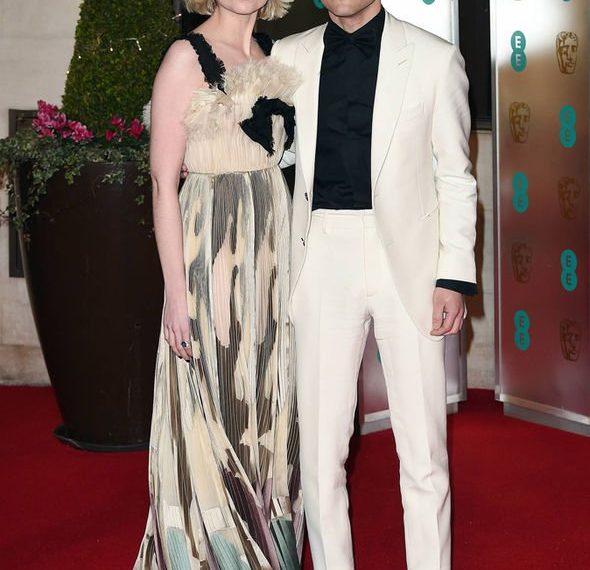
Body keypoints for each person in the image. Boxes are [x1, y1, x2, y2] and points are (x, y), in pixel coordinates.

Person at [272, 1, 477, 569]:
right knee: (319, 454)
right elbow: (269, 150)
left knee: (424, 452)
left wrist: (453, 276)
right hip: (320, 253)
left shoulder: (435, 59)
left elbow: (455, 176)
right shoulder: (287, 56)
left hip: (407, 261)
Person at [134, 0, 303, 567]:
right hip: (212, 251)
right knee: (218, 389)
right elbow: (163, 183)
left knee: (269, 392)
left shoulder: (279, 53)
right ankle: (217, 550)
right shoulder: (185, 58)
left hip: (273, 252)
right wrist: (176, 296)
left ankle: (269, 541)